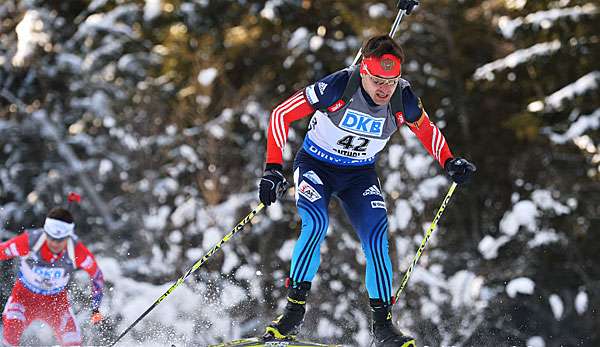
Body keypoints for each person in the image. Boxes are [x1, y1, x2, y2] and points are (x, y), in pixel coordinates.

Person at [258, 34, 476, 347]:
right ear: (363, 71)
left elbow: (426, 129)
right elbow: (281, 114)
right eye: (376, 80)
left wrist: (450, 161)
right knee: (316, 224)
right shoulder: (338, 87)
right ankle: (292, 314)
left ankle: (384, 327)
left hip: (359, 174)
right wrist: (272, 169)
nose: (384, 89)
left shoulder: (403, 98)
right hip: (315, 167)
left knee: (376, 237)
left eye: (391, 81)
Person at [0, 207, 105, 346]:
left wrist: (95, 308)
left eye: (60, 240)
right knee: (11, 329)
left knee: (73, 341)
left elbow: (97, 275)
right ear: (45, 232)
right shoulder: (29, 241)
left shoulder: (76, 250)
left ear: (68, 236)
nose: (55, 243)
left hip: (55, 302)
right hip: (24, 297)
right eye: (51, 237)